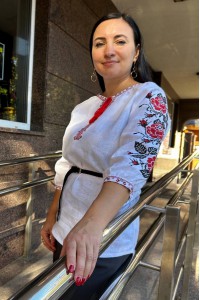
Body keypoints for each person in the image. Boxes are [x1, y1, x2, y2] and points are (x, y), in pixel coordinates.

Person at [41, 12, 170, 299]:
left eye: (120, 41)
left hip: (103, 234)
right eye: (99, 43)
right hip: (66, 226)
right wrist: (52, 214)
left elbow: (132, 167)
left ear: (136, 52)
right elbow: (68, 164)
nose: (108, 50)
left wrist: (91, 227)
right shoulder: (85, 107)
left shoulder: (150, 97)